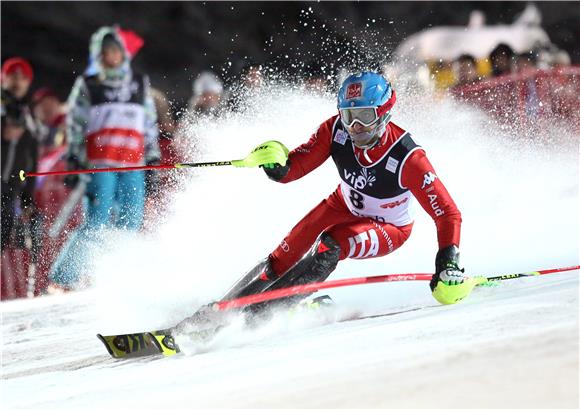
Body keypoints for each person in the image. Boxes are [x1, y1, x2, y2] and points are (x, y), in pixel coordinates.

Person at [187, 72, 469, 326]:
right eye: (349, 116)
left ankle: (256, 318)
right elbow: (296, 167)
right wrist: (277, 167)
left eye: (365, 117)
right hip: (341, 205)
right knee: (282, 257)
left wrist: (448, 262)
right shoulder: (335, 131)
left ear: (384, 114)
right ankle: (219, 311)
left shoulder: (408, 157)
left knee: (329, 246)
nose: (356, 126)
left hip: (388, 227)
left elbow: (447, 213)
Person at [49, 26, 160, 288]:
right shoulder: (89, 84)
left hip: (133, 162)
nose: (112, 56)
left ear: (123, 52)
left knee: (130, 222)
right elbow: (75, 123)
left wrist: (153, 156)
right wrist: (74, 157)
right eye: (106, 51)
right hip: (101, 163)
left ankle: (115, 277)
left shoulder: (138, 81)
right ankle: (65, 278)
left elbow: (149, 121)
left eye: (116, 50)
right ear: (98, 55)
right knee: (97, 221)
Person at [1, 57, 39, 253]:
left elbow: (33, 158)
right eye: (13, 76)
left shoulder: (28, 114)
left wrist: (27, 197)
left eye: (23, 77)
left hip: (11, 190)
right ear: (3, 78)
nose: (18, 81)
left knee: (4, 237)